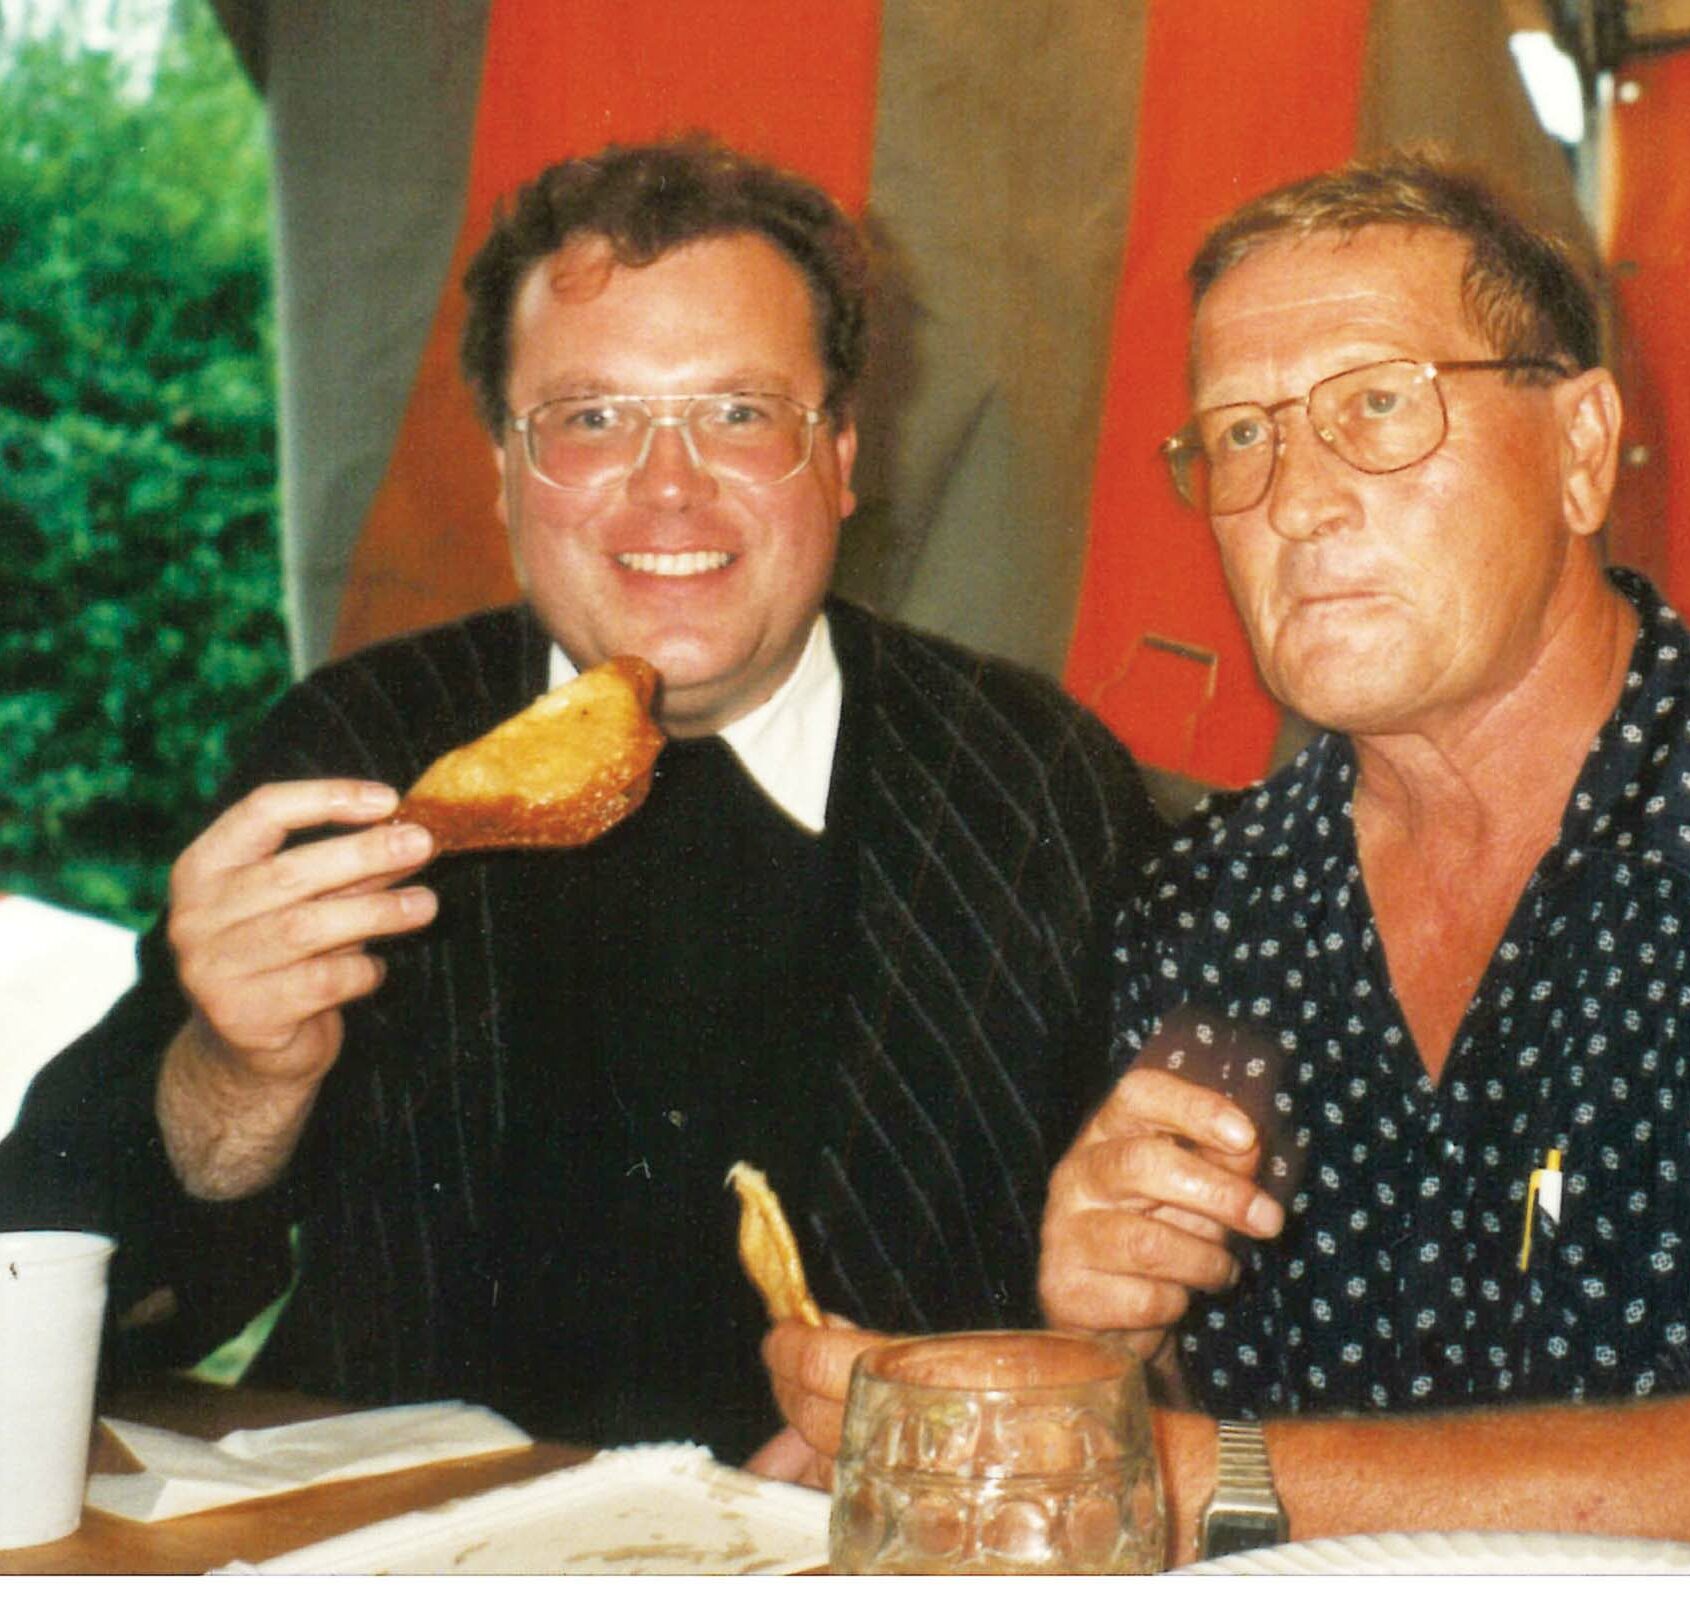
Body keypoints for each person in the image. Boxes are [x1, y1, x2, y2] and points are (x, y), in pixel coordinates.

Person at [766, 149, 1690, 1571]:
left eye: (1376, 405)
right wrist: (1120, 1335)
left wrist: (1181, 1470)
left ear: (1582, 450)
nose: (1292, 501)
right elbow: (1211, 1426)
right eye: (1238, 435)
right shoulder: (1207, 906)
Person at [0, 135, 1157, 1463]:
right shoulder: (362, 754)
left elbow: (1160, 1288)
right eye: (591, 419)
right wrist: (234, 1070)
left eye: (740, 412)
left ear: (840, 455)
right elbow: (60, 1285)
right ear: (503, 470)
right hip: (404, 1536)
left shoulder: (1033, 785)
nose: (668, 487)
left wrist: (967, 1420)